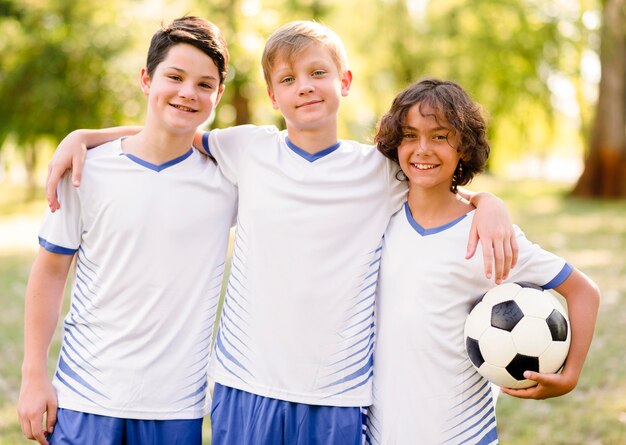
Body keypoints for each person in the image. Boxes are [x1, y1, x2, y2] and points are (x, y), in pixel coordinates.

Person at [43, 22, 518, 444]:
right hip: (244, 387)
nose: (304, 88)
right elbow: (170, 129)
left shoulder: (379, 170)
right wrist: (85, 136)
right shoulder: (244, 148)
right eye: (288, 80)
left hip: (338, 392)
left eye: (317, 74)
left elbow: (432, 178)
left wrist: (485, 201)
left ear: (345, 82)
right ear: (273, 96)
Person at [17, 16, 237, 445]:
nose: (188, 92)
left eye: (204, 84)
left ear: (218, 94)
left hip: (175, 407)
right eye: (174, 77)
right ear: (145, 79)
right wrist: (33, 377)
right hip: (85, 398)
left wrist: (85, 133)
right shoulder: (86, 169)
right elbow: (49, 272)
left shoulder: (227, 179)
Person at [366, 78, 600, 445]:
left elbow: (584, 291)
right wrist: (485, 198)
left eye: (440, 136)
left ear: (464, 148)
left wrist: (570, 375)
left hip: (459, 431)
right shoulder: (380, 215)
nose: (422, 149)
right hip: (380, 428)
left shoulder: (490, 236)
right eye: (410, 135)